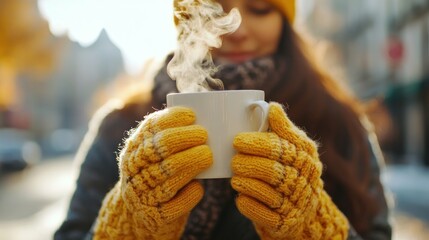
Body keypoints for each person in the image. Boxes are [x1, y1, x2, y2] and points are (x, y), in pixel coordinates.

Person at [54, 0, 392, 239]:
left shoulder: (340, 124)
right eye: (215, 8)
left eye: (260, 8)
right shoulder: (120, 126)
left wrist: (309, 224)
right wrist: (133, 222)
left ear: (284, 22)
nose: (237, 29)